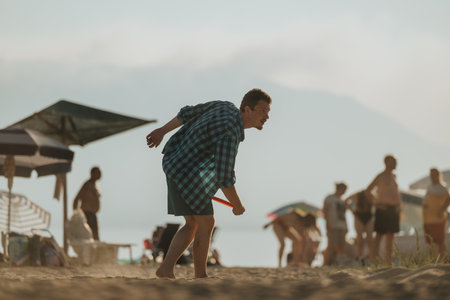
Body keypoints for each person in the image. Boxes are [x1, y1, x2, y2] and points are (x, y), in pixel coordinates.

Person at [146, 88, 272, 278]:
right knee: (206, 221)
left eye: (268, 112)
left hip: (173, 161)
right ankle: (200, 276)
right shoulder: (231, 133)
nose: (267, 116)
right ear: (247, 109)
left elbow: (187, 112)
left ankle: (166, 269)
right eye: (263, 111)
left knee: (192, 223)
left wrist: (162, 131)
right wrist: (237, 205)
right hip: (185, 172)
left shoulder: (225, 106)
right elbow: (224, 177)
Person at [366, 154, 401, 265]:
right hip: (383, 209)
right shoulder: (380, 176)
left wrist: (399, 207)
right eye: (394, 161)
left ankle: (389, 262)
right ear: (387, 162)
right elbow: (368, 190)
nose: (396, 163)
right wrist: (376, 204)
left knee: (391, 236)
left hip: (394, 210)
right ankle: (373, 262)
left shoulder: (394, 176)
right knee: (379, 236)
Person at [423, 168, 450, 259]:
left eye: (434, 174)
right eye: (431, 174)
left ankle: (444, 260)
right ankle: (433, 260)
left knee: (440, 241)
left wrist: (442, 210)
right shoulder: (430, 187)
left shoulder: (442, 187)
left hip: (438, 218)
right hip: (428, 219)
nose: (432, 176)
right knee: (431, 241)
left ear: (438, 175)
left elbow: (448, 199)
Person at [345, 190, 375, 264]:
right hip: (358, 215)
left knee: (369, 239)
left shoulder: (371, 195)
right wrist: (352, 211)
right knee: (359, 239)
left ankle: (372, 260)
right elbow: (346, 200)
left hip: (369, 216)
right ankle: (358, 258)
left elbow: (378, 203)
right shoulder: (357, 194)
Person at [72, 166, 102, 240]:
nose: (100, 174)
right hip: (86, 215)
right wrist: (76, 214)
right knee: (88, 237)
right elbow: (76, 199)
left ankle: (96, 251)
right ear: (92, 173)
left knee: (95, 237)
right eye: (98, 172)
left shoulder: (95, 185)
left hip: (92, 215)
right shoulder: (87, 185)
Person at [322, 182, 348, 265]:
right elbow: (325, 211)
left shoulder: (342, 200)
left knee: (341, 245)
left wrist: (347, 226)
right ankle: (325, 263)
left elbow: (343, 214)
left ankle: (340, 261)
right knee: (331, 245)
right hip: (332, 224)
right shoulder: (329, 198)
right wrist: (327, 224)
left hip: (342, 225)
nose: (344, 192)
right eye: (343, 190)